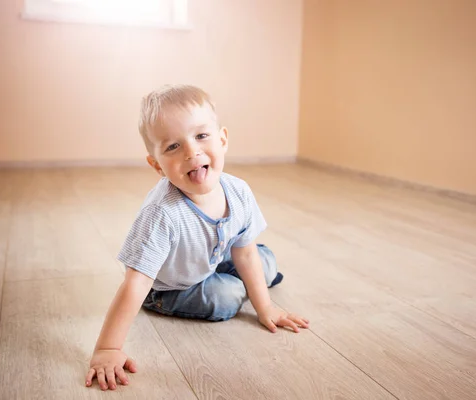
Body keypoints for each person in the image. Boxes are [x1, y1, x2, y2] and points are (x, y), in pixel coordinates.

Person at [85, 84, 309, 391]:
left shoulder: (239, 191)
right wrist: (107, 348)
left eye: (201, 136)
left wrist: (265, 307)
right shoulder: (162, 213)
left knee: (263, 261)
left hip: (210, 258)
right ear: (157, 165)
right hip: (171, 287)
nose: (192, 152)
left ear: (223, 139)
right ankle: (229, 285)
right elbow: (136, 282)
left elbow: (244, 251)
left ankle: (243, 281)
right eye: (173, 147)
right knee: (226, 296)